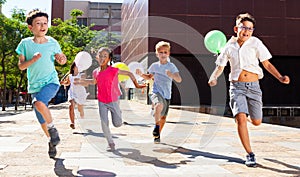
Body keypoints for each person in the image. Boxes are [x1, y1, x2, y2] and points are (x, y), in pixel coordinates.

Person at [208, 13, 290, 167]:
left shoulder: (255, 43)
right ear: (236, 28)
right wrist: (214, 77)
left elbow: (266, 64)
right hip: (236, 87)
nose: (247, 31)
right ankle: (250, 154)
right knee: (240, 118)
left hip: (254, 88)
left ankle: (247, 116)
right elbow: (220, 66)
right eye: (243, 27)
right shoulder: (229, 46)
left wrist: (280, 77)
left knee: (257, 121)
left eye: (250, 29)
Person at [15, 9, 67, 158]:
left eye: (45, 23)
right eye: (38, 23)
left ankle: (53, 129)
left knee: (38, 104)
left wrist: (62, 59)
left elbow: (62, 59)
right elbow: (21, 66)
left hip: (51, 82)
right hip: (34, 86)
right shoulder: (24, 44)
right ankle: (51, 140)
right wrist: (33, 60)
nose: (43, 26)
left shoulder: (52, 42)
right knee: (41, 120)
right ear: (30, 27)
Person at [76, 47, 146, 151]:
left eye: (105, 56)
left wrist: (137, 85)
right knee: (104, 123)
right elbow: (94, 82)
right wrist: (82, 81)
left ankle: (119, 113)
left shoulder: (113, 70)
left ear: (109, 59)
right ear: (97, 57)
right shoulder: (95, 72)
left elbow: (130, 73)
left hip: (113, 100)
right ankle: (110, 143)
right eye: (100, 55)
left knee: (117, 124)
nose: (102, 58)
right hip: (101, 101)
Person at [136, 41, 182, 143]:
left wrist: (172, 75)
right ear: (157, 54)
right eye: (160, 52)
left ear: (168, 54)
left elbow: (179, 79)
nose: (163, 54)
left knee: (163, 118)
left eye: (165, 52)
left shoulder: (171, 66)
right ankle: (156, 126)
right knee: (158, 105)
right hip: (156, 91)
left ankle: (157, 135)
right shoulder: (154, 66)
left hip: (167, 95)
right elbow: (149, 77)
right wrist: (141, 74)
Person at [60, 62, 89, 129]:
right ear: (73, 68)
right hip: (72, 92)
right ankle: (72, 122)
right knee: (71, 106)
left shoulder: (81, 74)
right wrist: (63, 83)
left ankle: (82, 113)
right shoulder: (70, 76)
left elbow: (84, 81)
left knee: (80, 108)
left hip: (80, 93)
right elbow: (67, 83)